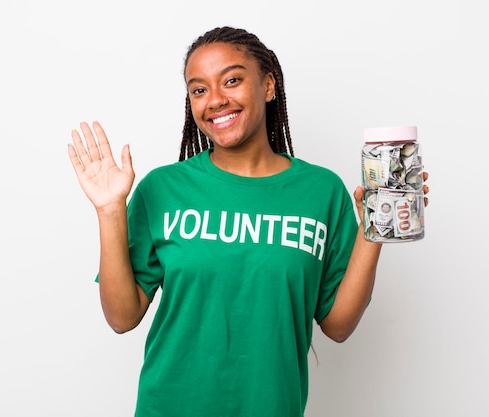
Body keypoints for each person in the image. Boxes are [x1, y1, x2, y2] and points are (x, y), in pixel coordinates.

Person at [67, 26, 430, 417]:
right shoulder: (163, 189)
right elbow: (122, 317)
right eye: (199, 89)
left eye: (233, 80)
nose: (215, 100)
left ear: (269, 85)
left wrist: (374, 231)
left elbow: (338, 326)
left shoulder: (321, 191)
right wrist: (109, 211)